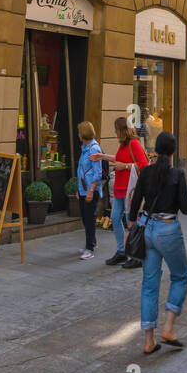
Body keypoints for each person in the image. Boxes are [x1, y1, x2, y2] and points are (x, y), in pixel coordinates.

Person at [129, 131, 187, 355]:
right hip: (168, 229)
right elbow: (185, 208)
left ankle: (148, 340)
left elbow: (135, 203)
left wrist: (130, 225)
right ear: (173, 151)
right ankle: (168, 328)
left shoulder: (146, 172)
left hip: (148, 230)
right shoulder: (177, 174)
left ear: (155, 149)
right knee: (181, 276)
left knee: (149, 284)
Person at [100, 115, 149, 268]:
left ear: (122, 130)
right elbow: (119, 158)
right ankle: (122, 251)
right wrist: (102, 156)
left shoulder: (134, 144)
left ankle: (136, 256)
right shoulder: (123, 145)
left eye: (116, 130)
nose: (114, 132)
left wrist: (125, 166)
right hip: (120, 188)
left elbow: (144, 164)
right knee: (115, 218)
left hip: (130, 190)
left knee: (130, 222)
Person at [75, 121, 103, 260]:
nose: (78, 134)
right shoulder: (85, 148)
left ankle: (90, 248)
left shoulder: (94, 149)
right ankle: (91, 242)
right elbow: (82, 170)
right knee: (85, 217)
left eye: (79, 132)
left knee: (89, 218)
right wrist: (78, 189)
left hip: (91, 190)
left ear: (83, 134)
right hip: (83, 189)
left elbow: (97, 173)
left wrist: (91, 190)